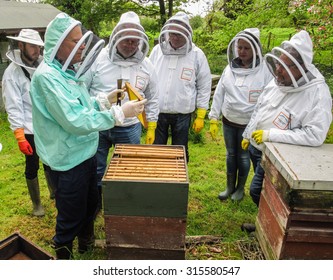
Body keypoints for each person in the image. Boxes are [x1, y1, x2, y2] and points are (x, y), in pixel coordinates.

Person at [29, 13, 146, 259]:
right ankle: (63, 251)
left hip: (85, 153)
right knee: (70, 212)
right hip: (66, 160)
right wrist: (119, 113)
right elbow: (75, 120)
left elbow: (81, 104)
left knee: (90, 204)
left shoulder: (68, 72)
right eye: (75, 41)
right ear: (58, 44)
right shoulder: (47, 78)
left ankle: (86, 242)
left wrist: (105, 100)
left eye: (82, 40)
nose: (82, 46)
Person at [242, 30, 332, 209]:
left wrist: (270, 135)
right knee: (265, 192)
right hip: (257, 147)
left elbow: (314, 136)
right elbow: (260, 108)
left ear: (299, 67)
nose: (278, 70)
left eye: (283, 66)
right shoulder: (279, 81)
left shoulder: (318, 94)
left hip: (280, 155)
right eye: (278, 63)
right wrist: (248, 134)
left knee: (258, 191)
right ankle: (265, 225)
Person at [85, 11, 159, 213]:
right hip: (99, 124)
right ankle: (98, 204)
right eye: (126, 40)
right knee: (97, 167)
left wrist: (151, 124)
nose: (130, 45)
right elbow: (83, 90)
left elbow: (153, 95)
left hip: (129, 127)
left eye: (135, 42)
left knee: (128, 168)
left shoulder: (147, 65)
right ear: (117, 37)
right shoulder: (98, 59)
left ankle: (124, 204)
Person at [208, 28, 272, 202]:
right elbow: (220, 92)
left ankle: (240, 189)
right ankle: (229, 186)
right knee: (231, 154)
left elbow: (267, 99)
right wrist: (214, 117)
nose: (242, 51)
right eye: (239, 47)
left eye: (246, 48)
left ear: (256, 49)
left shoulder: (265, 70)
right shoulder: (230, 68)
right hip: (229, 120)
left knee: (243, 156)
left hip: (249, 123)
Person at [2, 29, 56, 217]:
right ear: (21, 45)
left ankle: (54, 192)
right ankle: (37, 205)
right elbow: (13, 105)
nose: (36, 50)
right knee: (32, 165)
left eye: (38, 46)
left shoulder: (44, 66)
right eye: (32, 46)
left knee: (50, 161)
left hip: (47, 125)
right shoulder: (12, 73)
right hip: (29, 128)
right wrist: (19, 135)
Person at [149, 11, 211, 162]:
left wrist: (201, 113)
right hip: (158, 111)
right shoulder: (158, 51)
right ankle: (158, 180)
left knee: (180, 152)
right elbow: (147, 78)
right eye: (172, 34)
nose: (175, 38)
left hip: (183, 113)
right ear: (167, 32)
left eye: (179, 35)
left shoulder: (197, 55)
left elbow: (204, 84)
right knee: (157, 151)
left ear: (187, 35)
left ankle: (178, 183)